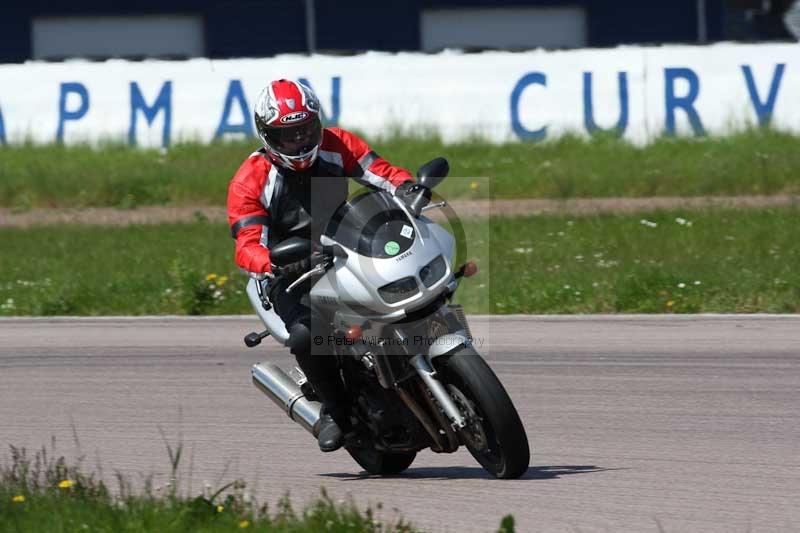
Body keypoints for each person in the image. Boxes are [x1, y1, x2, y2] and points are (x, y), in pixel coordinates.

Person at [227, 79, 422, 452]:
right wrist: (272, 262)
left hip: (346, 245)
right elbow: (248, 245)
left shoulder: (337, 143)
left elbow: (380, 172)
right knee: (307, 334)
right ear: (267, 135)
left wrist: (408, 188)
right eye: (287, 135)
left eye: (305, 129)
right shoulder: (249, 180)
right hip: (290, 270)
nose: (299, 141)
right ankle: (335, 410)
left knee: (402, 282)